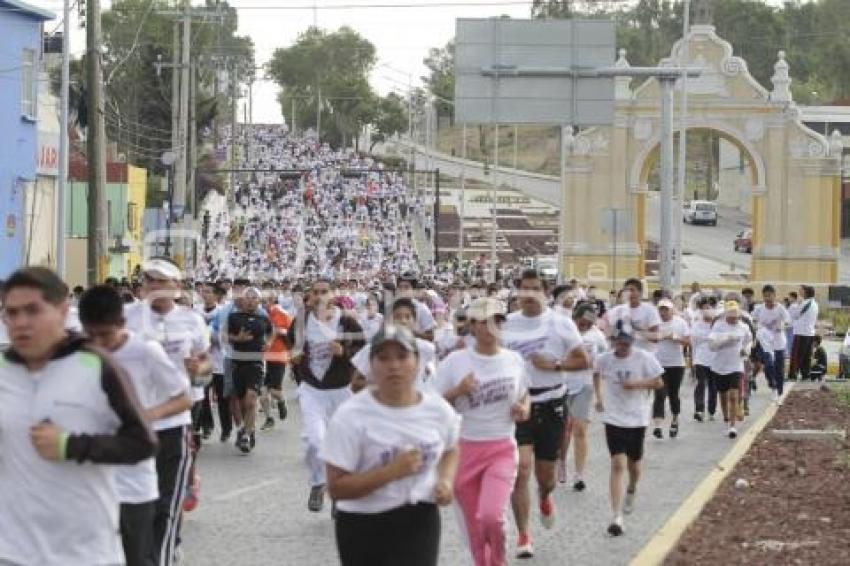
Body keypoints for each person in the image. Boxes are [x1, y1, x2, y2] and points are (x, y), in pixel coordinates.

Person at [0, 267, 157, 564]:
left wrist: (70, 445)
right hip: (11, 551)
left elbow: (143, 442)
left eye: (33, 310)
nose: (20, 323)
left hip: (83, 550)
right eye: (12, 313)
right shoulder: (2, 371)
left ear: (62, 310)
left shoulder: (98, 366)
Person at [321, 326, 460, 566]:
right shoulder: (351, 416)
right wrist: (390, 473)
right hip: (363, 523)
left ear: (417, 362)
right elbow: (336, 488)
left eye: (402, 356)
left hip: (419, 518)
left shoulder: (438, 410)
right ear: (371, 366)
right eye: (383, 358)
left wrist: (446, 481)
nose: (393, 365)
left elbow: (451, 447)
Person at [79, 285, 193, 566]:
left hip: (135, 479)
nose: (98, 343)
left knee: (138, 558)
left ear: (121, 323)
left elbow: (183, 398)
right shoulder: (80, 352)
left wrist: (146, 416)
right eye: (90, 335)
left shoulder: (146, 351)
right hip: (94, 473)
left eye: (105, 335)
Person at [124, 257, 211, 566]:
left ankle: (162, 553)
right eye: (149, 280)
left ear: (177, 287)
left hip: (174, 421)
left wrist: (198, 368)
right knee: (133, 503)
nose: (154, 286)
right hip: (132, 424)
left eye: (161, 281)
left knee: (166, 503)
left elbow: (206, 368)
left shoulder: (192, 321)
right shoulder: (125, 318)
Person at [435, 297, 530, 566]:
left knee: (491, 516)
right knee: (475, 527)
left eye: (496, 322)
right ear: (472, 326)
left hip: (501, 447)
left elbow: (525, 396)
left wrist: (523, 408)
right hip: (464, 451)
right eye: (483, 323)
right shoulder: (455, 362)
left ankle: (499, 561)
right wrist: (457, 391)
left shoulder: (514, 360)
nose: (490, 328)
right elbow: (430, 403)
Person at [502, 269, 589, 559]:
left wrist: (555, 366)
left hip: (552, 402)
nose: (528, 294)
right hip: (519, 406)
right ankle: (524, 536)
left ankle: (545, 496)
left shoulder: (560, 323)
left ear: (545, 291)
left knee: (545, 477)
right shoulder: (508, 325)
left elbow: (583, 360)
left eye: (535, 288)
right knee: (521, 469)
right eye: (524, 289)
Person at [288, 278, 366, 512]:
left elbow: (362, 349)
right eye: (316, 292)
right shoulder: (301, 320)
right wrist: (295, 357)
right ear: (310, 296)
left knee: (342, 443)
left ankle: (339, 493)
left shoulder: (347, 322)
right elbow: (293, 345)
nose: (320, 296)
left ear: (333, 294)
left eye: (325, 292)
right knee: (314, 440)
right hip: (313, 390)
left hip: (341, 390)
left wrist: (344, 352)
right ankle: (318, 482)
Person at [593, 327, 663, 537]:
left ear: (632, 342)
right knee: (617, 464)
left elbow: (659, 382)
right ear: (614, 341)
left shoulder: (644, 358)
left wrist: (637, 383)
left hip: (637, 417)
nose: (622, 347)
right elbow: (596, 374)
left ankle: (631, 488)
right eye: (619, 343)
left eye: (626, 343)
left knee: (634, 466)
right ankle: (616, 516)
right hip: (613, 417)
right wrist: (599, 397)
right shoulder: (604, 359)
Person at [559, 302, 608, 489]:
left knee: (580, 429)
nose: (585, 325)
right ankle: (561, 462)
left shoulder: (598, 337)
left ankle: (579, 475)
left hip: (584, 386)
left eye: (589, 323)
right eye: (582, 321)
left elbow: (599, 369)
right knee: (564, 430)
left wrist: (599, 395)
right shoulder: (564, 332)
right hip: (562, 386)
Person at [351, 297, 437, 391]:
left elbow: (431, 377)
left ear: (414, 321)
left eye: (408, 317)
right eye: (397, 317)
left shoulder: (426, 348)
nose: (403, 321)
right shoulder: (373, 347)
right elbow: (356, 384)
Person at [226, 287, 272, 452]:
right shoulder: (233, 317)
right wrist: (237, 338)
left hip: (256, 363)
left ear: (259, 301)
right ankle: (244, 429)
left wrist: (268, 343)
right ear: (243, 300)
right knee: (237, 402)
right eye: (248, 297)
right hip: (237, 362)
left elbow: (270, 333)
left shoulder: (264, 318)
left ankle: (246, 434)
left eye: (255, 298)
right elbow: (225, 336)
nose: (251, 300)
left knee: (251, 399)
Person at [708, 301, 752, 439]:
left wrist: (746, 350)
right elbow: (712, 346)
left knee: (733, 396)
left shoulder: (744, 327)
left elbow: (749, 341)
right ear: (726, 313)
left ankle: (732, 426)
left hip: (736, 366)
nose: (734, 316)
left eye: (736, 313)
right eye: (731, 313)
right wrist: (726, 339)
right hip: (720, 366)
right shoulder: (718, 326)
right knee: (723, 395)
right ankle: (726, 418)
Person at [652, 299, 690, 439]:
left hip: (676, 364)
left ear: (671, 310)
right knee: (659, 393)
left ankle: (675, 419)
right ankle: (657, 425)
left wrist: (675, 337)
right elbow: (649, 339)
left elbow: (688, 341)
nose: (663, 312)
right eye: (661, 309)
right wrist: (660, 337)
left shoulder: (680, 322)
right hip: (658, 364)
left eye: (666, 309)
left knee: (673, 394)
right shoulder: (655, 323)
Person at [751, 285, 791, 403]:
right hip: (765, 343)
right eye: (765, 296)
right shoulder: (759, 308)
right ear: (763, 296)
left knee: (779, 369)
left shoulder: (780, 309)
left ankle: (779, 393)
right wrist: (756, 326)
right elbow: (752, 319)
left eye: (770, 295)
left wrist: (782, 326)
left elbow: (788, 322)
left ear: (774, 295)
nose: (768, 298)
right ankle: (773, 387)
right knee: (768, 365)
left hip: (779, 343)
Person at [260, 289, 292, 430]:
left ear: (272, 300)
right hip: (267, 356)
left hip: (279, 355)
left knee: (274, 391)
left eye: (264, 301)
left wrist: (270, 341)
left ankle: (282, 401)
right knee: (262, 391)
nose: (262, 304)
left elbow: (281, 330)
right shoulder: (266, 314)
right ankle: (269, 419)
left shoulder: (279, 312)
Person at [690, 297, 718, 421]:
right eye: (704, 308)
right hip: (700, 359)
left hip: (715, 359)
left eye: (709, 308)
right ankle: (699, 409)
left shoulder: (718, 325)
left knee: (713, 386)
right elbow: (694, 343)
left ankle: (711, 410)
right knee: (700, 383)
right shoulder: (696, 325)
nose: (706, 310)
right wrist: (693, 361)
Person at [789, 285, 819, 381]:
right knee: (806, 356)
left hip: (801, 333)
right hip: (809, 333)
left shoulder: (805, 303)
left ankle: (793, 374)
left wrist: (795, 304)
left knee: (796, 355)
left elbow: (794, 315)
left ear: (806, 292)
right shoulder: (815, 303)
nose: (799, 292)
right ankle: (806, 374)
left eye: (801, 290)